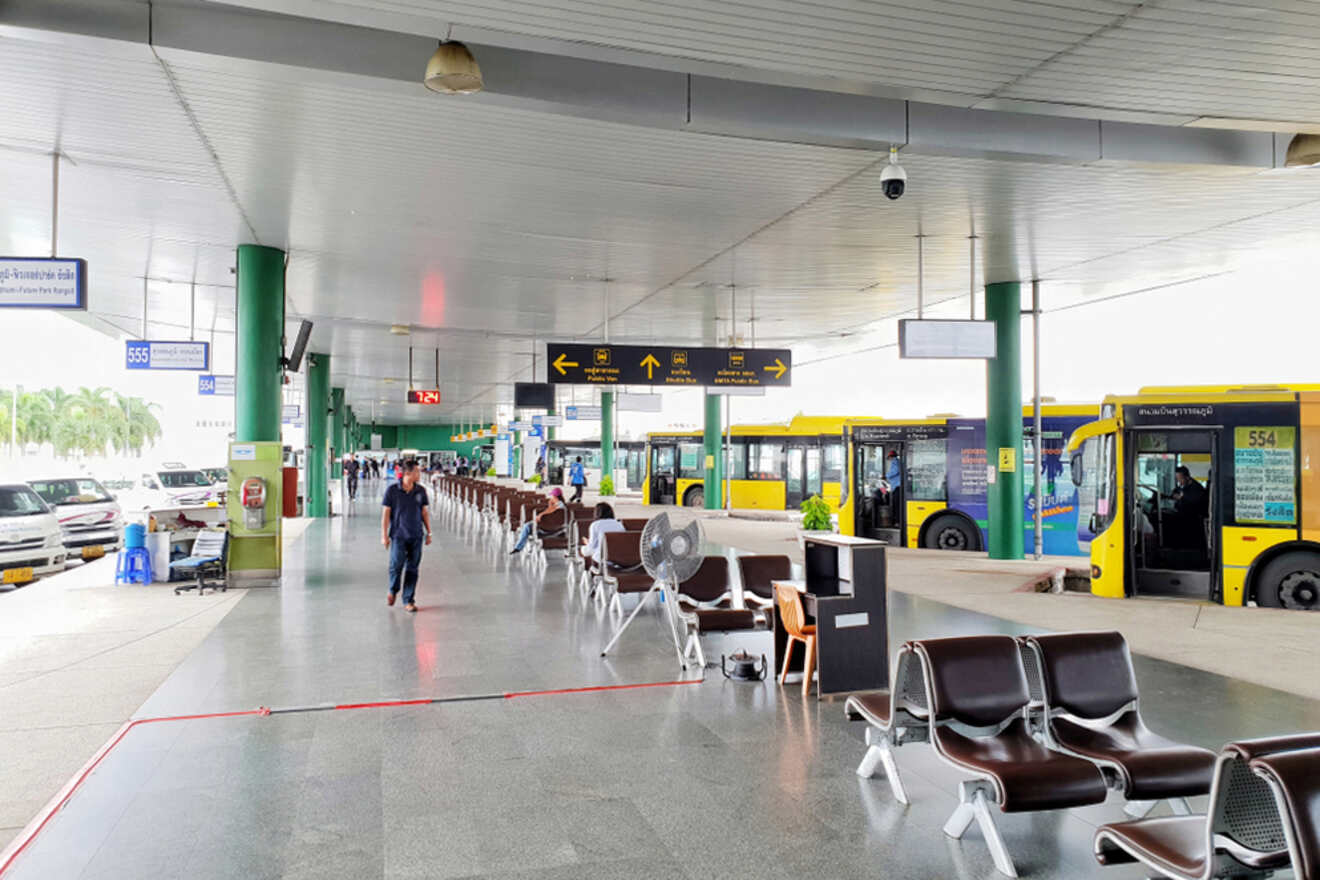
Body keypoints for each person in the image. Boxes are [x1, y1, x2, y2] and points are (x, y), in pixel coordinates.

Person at [381, 459, 431, 613]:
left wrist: (429, 532)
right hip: (398, 535)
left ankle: (408, 600)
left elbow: (424, 512)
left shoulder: (421, 491)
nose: (420, 474)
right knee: (396, 565)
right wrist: (384, 535)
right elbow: (386, 514)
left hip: (416, 535)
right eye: (417, 471)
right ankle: (393, 590)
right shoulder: (392, 491)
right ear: (408, 473)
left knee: (413, 568)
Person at [510, 487, 563, 554]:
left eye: (552, 496)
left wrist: (541, 514)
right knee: (528, 526)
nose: (551, 498)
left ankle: (518, 547)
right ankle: (519, 547)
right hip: (558, 529)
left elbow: (550, 513)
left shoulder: (557, 506)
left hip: (544, 529)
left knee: (527, 526)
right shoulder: (563, 507)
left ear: (555, 496)